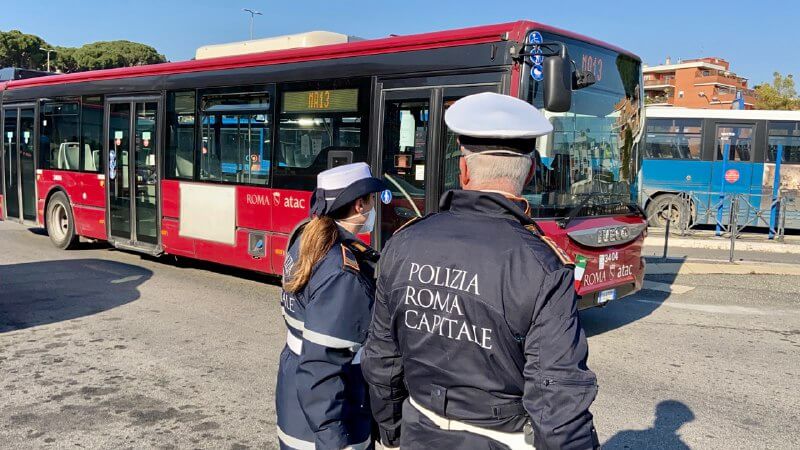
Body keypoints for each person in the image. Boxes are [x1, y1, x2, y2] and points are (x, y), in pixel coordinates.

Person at [361, 92, 600, 450]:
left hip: (418, 430)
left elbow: (381, 355)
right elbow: (557, 395)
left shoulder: (403, 243)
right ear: (531, 172)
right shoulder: (542, 266)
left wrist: (393, 428)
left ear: (464, 168)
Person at [276, 162, 385, 450]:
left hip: (297, 403)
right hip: (331, 414)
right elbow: (322, 366)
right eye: (372, 201)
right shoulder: (342, 272)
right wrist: (334, 441)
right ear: (360, 205)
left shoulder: (306, 240)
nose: (374, 207)